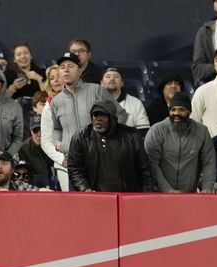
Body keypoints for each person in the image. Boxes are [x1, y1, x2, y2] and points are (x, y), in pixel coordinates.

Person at [43, 52, 127, 190]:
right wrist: (60, 144)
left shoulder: (96, 91)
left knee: (103, 207)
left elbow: (121, 115)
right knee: (77, 208)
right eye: (62, 67)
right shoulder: (56, 102)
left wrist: (109, 140)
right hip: (74, 164)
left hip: (101, 162)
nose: (66, 70)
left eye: (70, 66)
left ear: (80, 71)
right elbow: (57, 128)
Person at [67, 99, 154, 192]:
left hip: (126, 195)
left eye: (102, 115)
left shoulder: (131, 136)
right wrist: (85, 189)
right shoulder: (81, 136)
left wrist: (145, 195)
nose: (98, 119)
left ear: (112, 118)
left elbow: (144, 170)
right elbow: (74, 168)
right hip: (95, 196)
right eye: (95, 115)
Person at [144, 92, 217, 192]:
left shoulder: (202, 132)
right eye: (173, 110)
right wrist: (167, 190)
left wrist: (207, 187)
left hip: (189, 195)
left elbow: (209, 162)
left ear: (189, 112)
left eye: (182, 110)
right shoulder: (156, 131)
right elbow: (152, 164)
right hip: (160, 194)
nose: (176, 113)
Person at [101, 67, 150, 133]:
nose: (112, 79)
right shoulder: (93, 101)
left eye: (116, 76)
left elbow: (144, 131)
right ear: (101, 83)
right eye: (108, 76)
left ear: (122, 83)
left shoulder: (135, 103)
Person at [17, 114, 58, 189]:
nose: (39, 134)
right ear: (31, 131)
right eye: (35, 130)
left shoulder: (56, 144)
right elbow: (25, 176)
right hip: (36, 188)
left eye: (42, 129)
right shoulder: (24, 149)